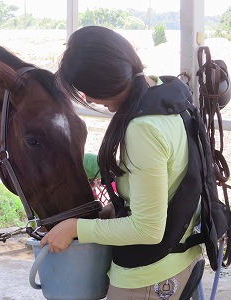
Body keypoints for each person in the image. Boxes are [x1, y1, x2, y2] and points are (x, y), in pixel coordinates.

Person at [41, 26, 204, 300]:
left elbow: (147, 229)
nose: (88, 99)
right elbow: (169, 184)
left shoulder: (143, 129)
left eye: (87, 91)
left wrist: (76, 227)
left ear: (105, 82)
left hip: (149, 276)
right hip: (183, 257)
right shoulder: (165, 94)